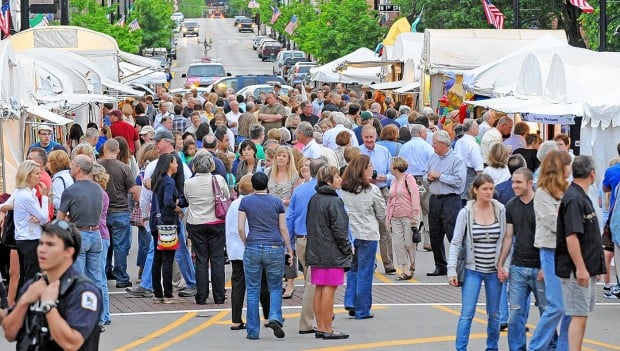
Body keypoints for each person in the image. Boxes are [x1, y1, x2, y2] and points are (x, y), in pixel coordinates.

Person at [2, 220, 102, 350]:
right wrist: (25, 301)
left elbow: (71, 344)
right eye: (41, 243)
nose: (42, 249)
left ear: (69, 252)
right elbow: (10, 333)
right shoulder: (34, 286)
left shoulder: (84, 292)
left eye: (50, 245)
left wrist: (48, 305)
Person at [447, 174, 506, 351]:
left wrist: (505, 266)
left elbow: (506, 239)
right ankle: (461, 348)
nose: (489, 192)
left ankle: (492, 347)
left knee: (495, 314)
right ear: (475, 190)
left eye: (491, 188)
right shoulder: (466, 212)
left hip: (494, 270)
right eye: (485, 189)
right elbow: (456, 242)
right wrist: (451, 270)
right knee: (467, 313)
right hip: (473, 269)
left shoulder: (500, 210)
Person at [555, 156, 605, 351]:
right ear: (592, 173)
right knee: (578, 315)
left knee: (581, 315)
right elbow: (572, 237)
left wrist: (595, 266)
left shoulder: (580, 196)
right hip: (575, 271)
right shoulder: (574, 199)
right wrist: (582, 269)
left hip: (585, 268)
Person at [497, 167, 548, 351]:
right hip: (518, 267)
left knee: (546, 313)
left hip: (539, 267)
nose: (514, 186)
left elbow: (549, 236)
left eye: (518, 182)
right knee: (515, 315)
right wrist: (501, 263)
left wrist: (545, 266)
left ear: (530, 183)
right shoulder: (511, 205)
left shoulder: (542, 204)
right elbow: (508, 236)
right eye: (512, 182)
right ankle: (517, 348)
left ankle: (551, 347)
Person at [238, 172, 294, 340]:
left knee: (253, 289)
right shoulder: (276, 201)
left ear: (253, 185)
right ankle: (275, 316)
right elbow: (283, 227)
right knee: (275, 286)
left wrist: (246, 242)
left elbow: (241, 227)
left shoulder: (245, 201)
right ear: (267, 184)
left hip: (254, 245)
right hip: (274, 245)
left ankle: (253, 330)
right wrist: (289, 249)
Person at [529, 150, 573, 351]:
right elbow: (553, 221)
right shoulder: (542, 193)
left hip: (568, 250)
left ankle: (563, 347)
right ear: (559, 167)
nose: (570, 168)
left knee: (570, 308)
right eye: (567, 164)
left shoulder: (568, 190)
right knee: (556, 305)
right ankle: (536, 346)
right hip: (550, 250)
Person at [56, 154, 105, 323]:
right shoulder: (97, 188)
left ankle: (81, 316)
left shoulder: (71, 190)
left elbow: (59, 218)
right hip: (96, 233)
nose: (70, 167)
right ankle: (99, 316)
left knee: (79, 278)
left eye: (72, 165)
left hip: (79, 234)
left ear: (78, 168)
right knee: (96, 277)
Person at [305, 165, 352, 339]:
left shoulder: (314, 199)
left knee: (319, 288)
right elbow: (340, 230)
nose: (340, 179)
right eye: (337, 176)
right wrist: (347, 249)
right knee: (329, 290)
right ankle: (327, 328)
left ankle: (320, 325)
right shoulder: (334, 201)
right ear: (328, 180)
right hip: (331, 251)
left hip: (316, 249)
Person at [340, 155, 386, 319]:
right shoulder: (372, 190)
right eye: (370, 167)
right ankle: (362, 309)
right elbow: (382, 213)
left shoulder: (342, 189)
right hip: (368, 233)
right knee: (365, 272)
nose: (372, 169)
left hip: (350, 234)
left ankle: (350, 300)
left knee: (353, 269)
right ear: (362, 170)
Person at [225, 175, 271, 331]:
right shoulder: (251, 203)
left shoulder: (233, 205)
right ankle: (268, 315)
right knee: (262, 282)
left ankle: (236, 319)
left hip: (235, 250)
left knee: (238, 284)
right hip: (251, 247)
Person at [184, 150, 230, 305]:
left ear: (195, 166)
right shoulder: (218, 179)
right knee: (217, 258)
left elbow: (187, 198)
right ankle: (219, 295)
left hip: (196, 223)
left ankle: (201, 295)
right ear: (211, 166)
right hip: (216, 222)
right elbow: (227, 195)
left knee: (201, 259)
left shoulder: (188, 183)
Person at [287, 158, 326, 334]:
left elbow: (290, 217)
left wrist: (288, 243)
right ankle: (307, 322)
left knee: (310, 279)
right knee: (313, 281)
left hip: (301, 239)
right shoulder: (327, 192)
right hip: (318, 240)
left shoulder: (300, 190)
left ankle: (317, 314)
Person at [99, 139, 140, 288]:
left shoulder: (97, 166)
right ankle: (121, 277)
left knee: (105, 245)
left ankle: (105, 271)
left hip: (102, 212)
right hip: (120, 209)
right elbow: (132, 189)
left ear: (104, 149)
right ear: (118, 151)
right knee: (121, 246)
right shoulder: (123, 167)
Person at [425, 130, 466, 276]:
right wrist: (428, 178)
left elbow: (459, 181)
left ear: (443, 144)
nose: (433, 145)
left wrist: (440, 176)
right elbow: (426, 176)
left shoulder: (457, 160)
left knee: (453, 234)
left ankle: (460, 265)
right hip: (435, 198)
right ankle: (440, 265)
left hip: (451, 199)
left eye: (435, 143)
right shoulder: (432, 157)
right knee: (435, 234)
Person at [3, 160, 50, 287]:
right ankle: (28, 304)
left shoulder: (22, 192)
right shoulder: (26, 195)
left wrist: (25, 211)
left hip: (23, 238)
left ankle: (24, 304)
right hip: (30, 239)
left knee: (26, 275)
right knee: (31, 277)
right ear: (28, 176)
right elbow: (44, 218)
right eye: (37, 174)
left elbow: (6, 205)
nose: (40, 176)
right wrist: (45, 197)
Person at [359, 125, 395, 275]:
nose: (369, 140)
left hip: (382, 191)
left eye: (371, 137)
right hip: (364, 191)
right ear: (362, 137)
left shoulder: (384, 151)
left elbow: (393, 172)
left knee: (385, 227)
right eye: (366, 137)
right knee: (367, 228)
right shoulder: (358, 152)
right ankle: (370, 263)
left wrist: (384, 177)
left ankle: (388, 263)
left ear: (376, 137)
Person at [267, 146, 299, 298]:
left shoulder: (294, 175)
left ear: (289, 159)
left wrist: (284, 201)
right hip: (270, 215)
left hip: (287, 215)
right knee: (273, 248)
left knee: (288, 248)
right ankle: (275, 281)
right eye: (278, 155)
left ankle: (290, 283)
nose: (280, 158)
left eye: (284, 156)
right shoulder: (268, 173)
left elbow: (295, 197)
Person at [150, 154, 181, 304]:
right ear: (169, 164)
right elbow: (168, 201)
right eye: (175, 162)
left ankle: (157, 292)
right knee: (168, 259)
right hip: (167, 223)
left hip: (156, 221)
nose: (177, 164)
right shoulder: (169, 182)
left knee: (157, 258)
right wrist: (177, 208)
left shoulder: (158, 180)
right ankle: (168, 293)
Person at [387, 157, 420, 280]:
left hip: (408, 215)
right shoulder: (393, 181)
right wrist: (388, 217)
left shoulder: (408, 178)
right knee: (397, 243)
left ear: (396, 167)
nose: (390, 167)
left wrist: (415, 216)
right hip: (395, 216)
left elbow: (415, 197)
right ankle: (405, 269)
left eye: (391, 165)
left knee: (408, 243)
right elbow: (390, 199)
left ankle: (412, 262)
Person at [48, 150, 74, 216]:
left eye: (49, 162)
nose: (47, 164)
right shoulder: (69, 175)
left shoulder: (58, 179)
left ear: (54, 164)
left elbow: (57, 203)